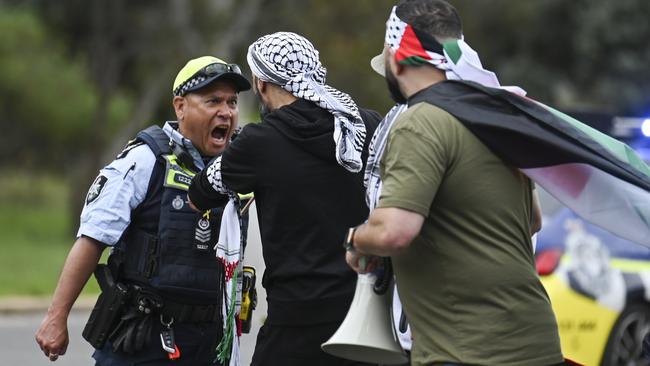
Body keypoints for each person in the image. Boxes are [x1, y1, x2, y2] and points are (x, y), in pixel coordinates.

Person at [344, 1, 565, 365]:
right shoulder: (495, 115)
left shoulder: (420, 121)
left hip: (467, 350)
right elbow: (533, 221)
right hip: (536, 342)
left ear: (397, 58)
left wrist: (355, 239)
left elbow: (393, 233)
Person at [35, 56, 251, 366]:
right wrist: (57, 317)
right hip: (144, 340)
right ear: (180, 106)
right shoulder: (144, 160)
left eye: (232, 102)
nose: (226, 112)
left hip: (211, 344)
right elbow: (93, 237)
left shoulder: (238, 170)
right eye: (213, 100)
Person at [188, 32, 381, 366]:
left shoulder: (259, 142)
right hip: (366, 313)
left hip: (296, 317)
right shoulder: (364, 124)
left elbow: (198, 195)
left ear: (261, 83)